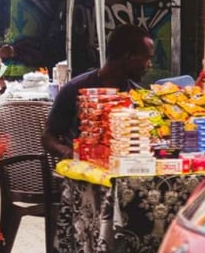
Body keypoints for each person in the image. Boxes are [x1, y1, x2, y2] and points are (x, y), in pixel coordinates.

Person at [43, 26, 155, 160]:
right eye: (147, 58)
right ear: (128, 56)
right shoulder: (74, 89)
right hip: (83, 169)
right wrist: (70, 153)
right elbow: (48, 137)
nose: (150, 65)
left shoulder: (138, 95)